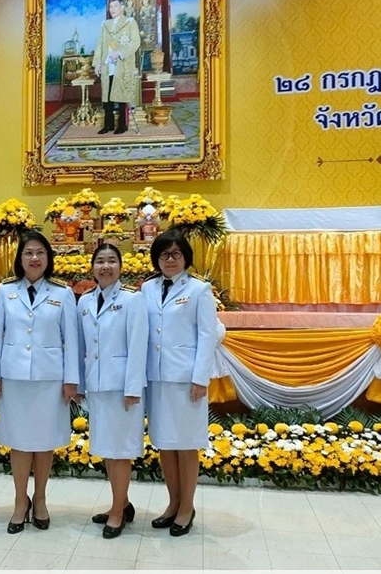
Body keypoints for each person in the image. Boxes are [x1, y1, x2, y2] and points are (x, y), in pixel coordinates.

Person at [0, 230, 79, 534]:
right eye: (28, 253)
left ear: (48, 257)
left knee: (44, 442)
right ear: (20, 259)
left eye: (40, 253)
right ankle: (19, 502)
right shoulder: (5, 291)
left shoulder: (62, 293)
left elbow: (72, 341)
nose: (34, 258)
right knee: (20, 443)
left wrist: (71, 380)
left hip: (49, 380)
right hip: (14, 379)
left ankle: (39, 499)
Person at [141, 228, 218, 537]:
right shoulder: (147, 288)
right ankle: (173, 504)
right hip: (157, 379)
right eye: (163, 254)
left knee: (186, 445)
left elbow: (207, 334)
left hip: (186, 380)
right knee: (165, 444)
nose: (169, 259)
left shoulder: (199, 289)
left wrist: (200, 378)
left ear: (186, 258)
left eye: (175, 254)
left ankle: (187, 507)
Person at [76, 244, 148, 539]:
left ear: (120, 266)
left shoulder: (133, 300)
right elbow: (82, 348)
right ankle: (122, 502)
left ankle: (118, 512)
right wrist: (80, 386)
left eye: (111, 261)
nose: (105, 267)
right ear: (92, 267)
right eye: (100, 262)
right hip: (97, 386)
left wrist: (133, 388)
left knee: (121, 452)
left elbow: (138, 346)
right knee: (108, 449)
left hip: (122, 389)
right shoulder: (85, 301)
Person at [92, 0, 141, 135]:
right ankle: (108, 125)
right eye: (110, 7)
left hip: (122, 65)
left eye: (115, 6)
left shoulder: (130, 22)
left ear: (122, 7)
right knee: (106, 96)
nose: (112, 9)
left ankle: (122, 125)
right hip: (107, 65)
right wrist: (97, 64)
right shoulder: (105, 25)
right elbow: (100, 45)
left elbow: (135, 42)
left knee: (121, 95)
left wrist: (119, 52)